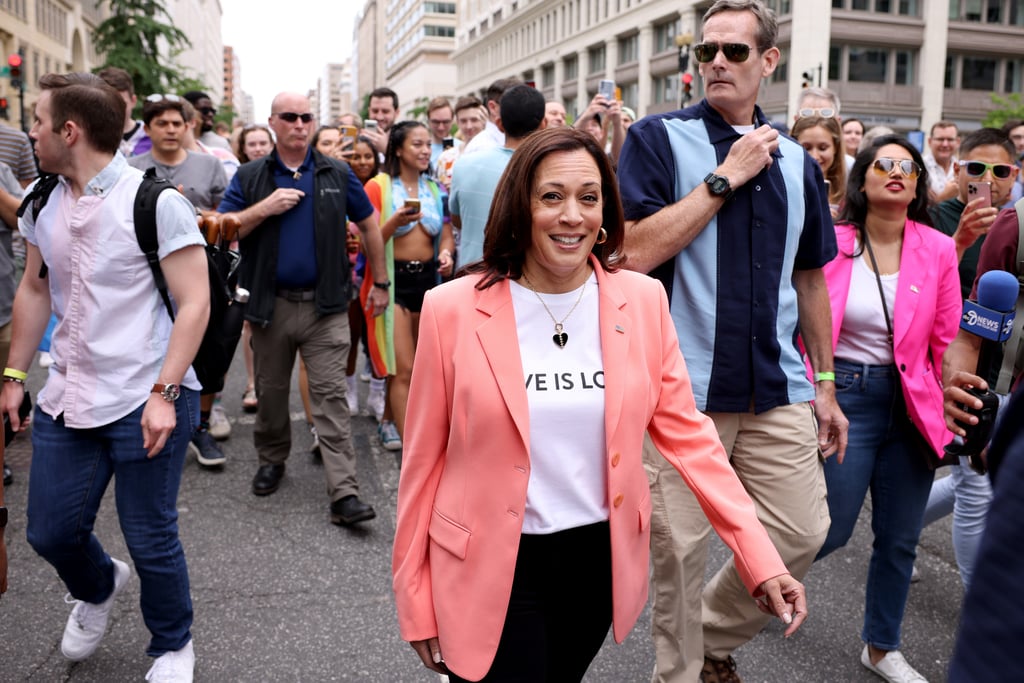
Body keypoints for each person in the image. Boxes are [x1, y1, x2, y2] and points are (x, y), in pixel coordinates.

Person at [392, 126, 808, 683]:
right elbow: (423, 464)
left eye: (588, 198)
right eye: (551, 197)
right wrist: (414, 594)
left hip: (597, 562)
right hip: (490, 561)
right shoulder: (453, 309)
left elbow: (690, 437)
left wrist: (759, 557)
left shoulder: (641, 300)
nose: (572, 216)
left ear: (606, 210)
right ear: (521, 206)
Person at [615, 2, 846, 680]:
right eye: (706, 51)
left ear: (767, 62)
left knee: (803, 531)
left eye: (735, 51)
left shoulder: (800, 161)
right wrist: (724, 178)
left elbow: (810, 281)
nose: (717, 61)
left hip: (778, 387)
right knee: (680, 552)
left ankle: (711, 635)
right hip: (682, 391)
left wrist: (827, 385)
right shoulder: (658, 140)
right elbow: (629, 253)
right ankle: (679, 671)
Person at [3, 71, 209, 681]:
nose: (31, 133)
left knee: (150, 537)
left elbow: (195, 302)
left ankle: (174, 645)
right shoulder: (41, 200)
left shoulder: (155, 202)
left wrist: (165, 394)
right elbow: (34, 291)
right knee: (49, 532)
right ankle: (98, 585)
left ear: (70, 130)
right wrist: (15, 373)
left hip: (146, 393)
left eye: (38, 122)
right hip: (68, 393)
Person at [813, 135, 961, 683]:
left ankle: (880, 646)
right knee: (829, 528)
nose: (896, 172)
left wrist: (952, 402)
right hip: (844, 394)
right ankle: (755, 580)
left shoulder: (938, 247)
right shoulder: (833, 239)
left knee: (899, 538)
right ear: (864, 180)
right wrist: (815, 389)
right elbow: (803, 325)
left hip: (913, 403)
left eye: (908, 166)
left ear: (919, 183)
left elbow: (947, 340)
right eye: (884, 164)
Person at [216, 92, 389, 525]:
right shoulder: (251, 175)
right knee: (272, 394)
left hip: (326, 306)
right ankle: (272, 459)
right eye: (289, 117)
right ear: (272, 122)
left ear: (313, 124)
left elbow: (368, 224)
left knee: (330, 398)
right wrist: (266, 207)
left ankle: (344, 492)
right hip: (270, 306)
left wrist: (380, 282)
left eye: (305, 117)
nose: (298, 123)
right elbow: (224, 228)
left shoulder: (336, 171)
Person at [918, 128, 1019, 592]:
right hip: (964, 369)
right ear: (958, 169)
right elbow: (919, 288)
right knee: (976, 489)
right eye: (976, 168)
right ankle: (982, 598)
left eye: (1000, 171)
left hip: (996, 371)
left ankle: (899, 527)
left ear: (1015, 174)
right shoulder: (936, 217)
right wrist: (958, 240)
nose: (988, 179)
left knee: (967, 484)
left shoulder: (1010, 223)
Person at [128, 95, 230, 468]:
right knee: (152, 347)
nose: (170, 130)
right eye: (162, 123)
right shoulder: (132, 168)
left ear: (188, 126)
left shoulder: (209, 166)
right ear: (148, 128)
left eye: (177, 123)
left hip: (202, 269)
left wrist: (201, 215)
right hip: (147, 276)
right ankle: (146, 416)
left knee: (209, 349)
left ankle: (201, 426)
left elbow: (228, 214)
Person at [362, 121, 455, 450]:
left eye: (428, 145)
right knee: (404, 368)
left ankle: (389, 419)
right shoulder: (378, 186)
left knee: (420, 370)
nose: (425, 151)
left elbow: (444, 232)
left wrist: (446, 252)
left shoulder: (434, 189)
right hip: (393, 282)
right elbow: (366, 240)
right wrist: (393, 223)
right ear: (398, 149)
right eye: (417, 144)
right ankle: (413, 447)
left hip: (429, 283)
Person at [450, 84, 546, 270]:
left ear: (500, 124)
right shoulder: (549, 169)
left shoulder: (463, 165)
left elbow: (458, 220)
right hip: (527, 280)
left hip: (473, 278)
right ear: (544, 124)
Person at [233, 124, 276, 415]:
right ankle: (251, 382)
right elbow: (230, 221)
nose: (258, 148)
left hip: (275, 257)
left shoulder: (282, 175)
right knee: (248, 323)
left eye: (263, 143)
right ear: (244, 149)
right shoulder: (241, 177)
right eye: (253, 144)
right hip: (244, 258)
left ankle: (272, 382)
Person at [791, 115, 846, 217]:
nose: (814, 156)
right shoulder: (782, 191)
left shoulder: (848, 195)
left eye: (823, 148)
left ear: (835, 148)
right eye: (806, 148)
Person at [97, 66, 151, 157]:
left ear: (133, 101)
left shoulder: (152, 137)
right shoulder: (91, 140)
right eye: (107, 103)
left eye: (121, 103)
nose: (114, 109)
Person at [435, 95, 486, 189]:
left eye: (474, 120)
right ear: (457, 122)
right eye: (463, 121)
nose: (469, 126)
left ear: (483, 120)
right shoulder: (446, 157)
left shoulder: (492, 153)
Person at [462, 78, 523, 156]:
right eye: (515, 105)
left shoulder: (523, 139)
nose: (522, 109)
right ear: (493, 107)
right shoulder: (480, 147)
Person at [924, 121, 960, 204]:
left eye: (950, 139)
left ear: (958, 142)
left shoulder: (963, 168)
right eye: (940, 139)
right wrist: (944, 197)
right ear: (930, 141)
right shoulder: (918, 168)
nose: (945, 144)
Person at [363, 87, 399, 155]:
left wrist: (387, 150)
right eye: (375, 111)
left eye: (385, 111)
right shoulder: (359, 141)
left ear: (396, 113)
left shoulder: (405, 141)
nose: (379, 117)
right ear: (369, 111)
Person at [426, 96, 460, 168]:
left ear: (452, 120)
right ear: (428, 121)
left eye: (445, 122)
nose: (441, 127)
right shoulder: (422, 150)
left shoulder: (462, 148)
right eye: (436, 122)